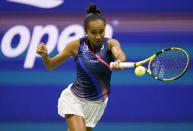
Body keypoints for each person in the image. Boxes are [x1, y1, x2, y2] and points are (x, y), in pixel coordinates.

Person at [36, 3, 126, 131]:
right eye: (93, 32)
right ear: (86, 31)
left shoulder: (111, 44)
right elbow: (50, 65)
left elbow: (120, 54)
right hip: (75, 99)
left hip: (97, 103)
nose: (98, 36)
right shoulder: (75, 45)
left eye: (101, 31)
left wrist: (119, 61)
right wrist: (45, 56)